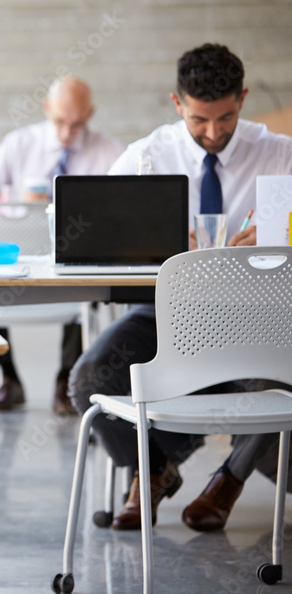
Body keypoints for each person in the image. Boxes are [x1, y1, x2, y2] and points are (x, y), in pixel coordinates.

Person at [68, 43, 292, 531]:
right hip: (169, 313)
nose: (214, 133)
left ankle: (228, 479)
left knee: (284, 383)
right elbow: (95, 235)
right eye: (199, 121)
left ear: (243, 98)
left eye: (227, 118)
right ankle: (154, 468)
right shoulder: (146, 157)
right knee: (89, 380)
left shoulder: (280, 154)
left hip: (257, 321)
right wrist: (149, 243)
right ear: (177, 104)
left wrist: (281, 234)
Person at [0, 76, 124, 414]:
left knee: (83, 279)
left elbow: (127, 208)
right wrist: (18, 201)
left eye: (78, 124)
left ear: (90, 114)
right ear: (47, 108)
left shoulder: (109, 152)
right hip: (15, 269)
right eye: (61, 121)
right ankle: (9, 377)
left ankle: (68, 380)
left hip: (73, 273)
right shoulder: (18, 145)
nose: (67, 132)